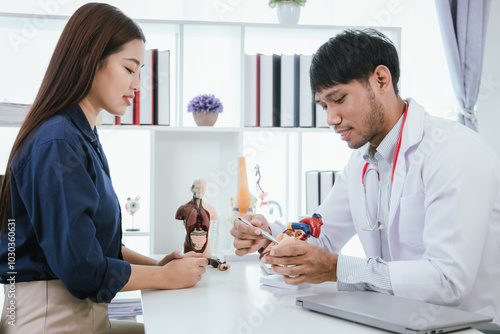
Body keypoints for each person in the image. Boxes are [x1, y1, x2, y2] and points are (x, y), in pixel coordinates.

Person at [231, 29, 500, 326]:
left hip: (470, 328)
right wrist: (272, 235)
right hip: (399, 321)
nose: (330, 119)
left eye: (339, 99)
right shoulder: (362, 159)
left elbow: (448, 281)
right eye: (323, 106)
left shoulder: (452, 151)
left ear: (381, 80)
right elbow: (326, 234)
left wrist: (338, 269)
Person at [0, 3, 207, 333]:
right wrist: (165, 277)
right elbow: (82, 268)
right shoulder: (58, 142)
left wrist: (158, 266)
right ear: (90, 61)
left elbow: (94, 245)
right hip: (50, 317)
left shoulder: (81, 135)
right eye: (129, 69)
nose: (138, 85)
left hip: (78, 312)